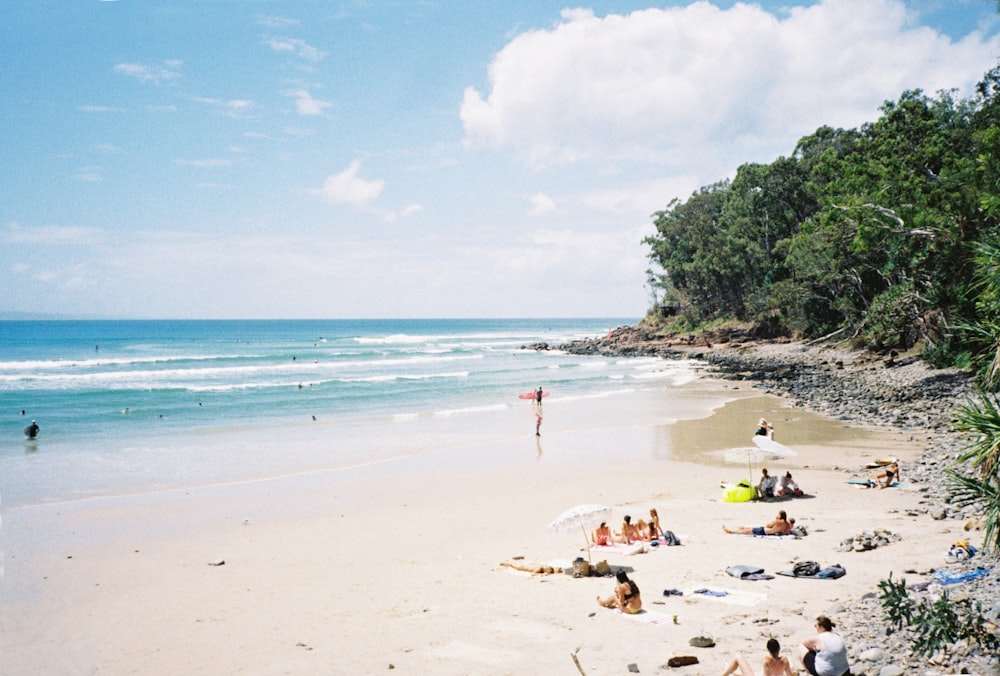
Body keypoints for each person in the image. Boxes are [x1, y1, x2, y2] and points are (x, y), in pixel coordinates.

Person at [721, 638, 795, 676]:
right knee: (753, 673)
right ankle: (732, 671)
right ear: (779, 648)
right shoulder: (785, 660)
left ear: (768, 650)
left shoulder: (767, 660)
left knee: (738, 657)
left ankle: (724, 674)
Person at [724, 510, 793, 536]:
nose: (776, 516)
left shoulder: (778, 521)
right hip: (768, 533)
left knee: (746, 531)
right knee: (748, 529)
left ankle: (731, 531)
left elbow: (768, 525)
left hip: (764, 531)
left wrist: (776, 520)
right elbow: (784, 531)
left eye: (778, 515)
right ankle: (739, 528)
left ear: (780, 516)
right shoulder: (786, 524)